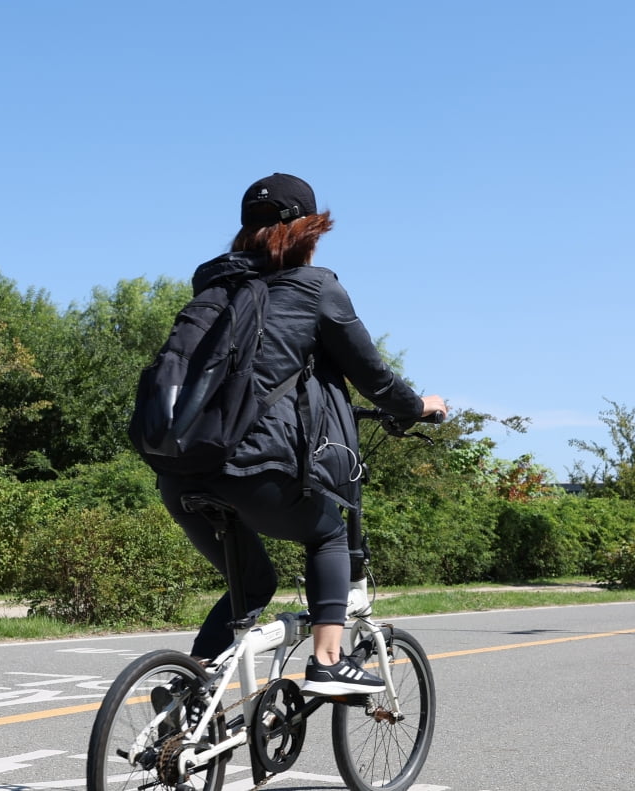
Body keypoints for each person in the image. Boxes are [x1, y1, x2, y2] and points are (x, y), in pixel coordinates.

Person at [157, 173, 446, 696]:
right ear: (311, 231)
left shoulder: (216, 292)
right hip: (256, 470)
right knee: (328, 532)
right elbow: (375, 377)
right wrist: (420, 406)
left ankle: (190, 691)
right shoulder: (316, 288)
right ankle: (329, 660)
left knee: (255, 584)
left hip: (181, 474)